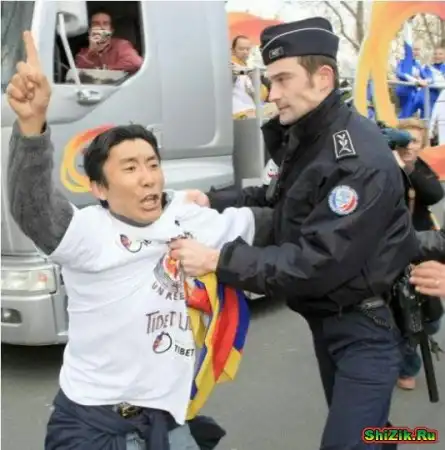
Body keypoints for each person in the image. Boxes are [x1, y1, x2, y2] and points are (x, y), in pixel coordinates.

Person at [5, 31, 272, 450]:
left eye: (152, 164)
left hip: (168, 419)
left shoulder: (187, 216)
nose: (147, 177)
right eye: (129, 168)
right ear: (99, 188)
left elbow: (269, 223)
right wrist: (31, 126)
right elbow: (33, 208)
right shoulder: (89, 232)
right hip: (93, 426)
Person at [173, 17, 419, 450]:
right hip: (331, 319)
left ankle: (415, 439)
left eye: (283, 79)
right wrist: (213, 199)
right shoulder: (311, 137)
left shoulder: (355, 158)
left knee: (347, 442)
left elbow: (316, 261)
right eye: (270, 81)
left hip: (365, 326)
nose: (272, 94)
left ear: (323, 78)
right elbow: (280, 196)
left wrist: (217, 260)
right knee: (367, 432)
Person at [393, 118, 444, 389]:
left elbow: (434, 194)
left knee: (432, 320)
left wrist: (408, 168)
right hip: (390, 252)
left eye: (414, 140)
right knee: (402, 314)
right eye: (404, 140)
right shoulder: (382, 165)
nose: (409, 146)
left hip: (423, 248)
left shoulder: (420, 167)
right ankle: (407, 368)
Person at [75, 10, 143, 73]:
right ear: (90, 30)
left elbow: (136, 63)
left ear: (111, 31)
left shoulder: (121, 45)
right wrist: (91, 53)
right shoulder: (83, 52)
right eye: (96, 24)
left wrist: (106, 70)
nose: (101, 27)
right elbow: (78, 73)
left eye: (105, 24)